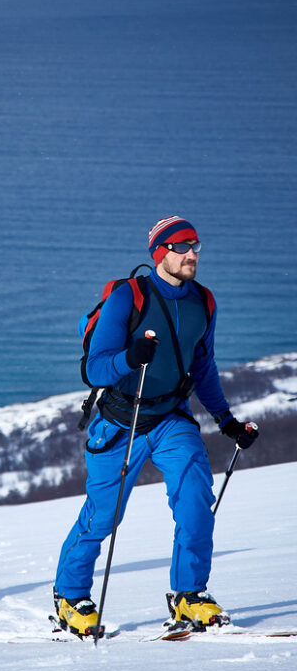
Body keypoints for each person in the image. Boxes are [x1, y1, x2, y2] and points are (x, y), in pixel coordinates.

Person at [54, 217, 258, 637]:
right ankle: (70, 598)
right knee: (102, 517)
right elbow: (93, 369)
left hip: (170, 419)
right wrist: (130, 358)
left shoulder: (203, 302)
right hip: (120, 423)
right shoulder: (128, 298)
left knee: (195, 501)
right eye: (181, 247)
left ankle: (189, 594)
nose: (191, 254)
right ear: (160, 252)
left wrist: (226, 420)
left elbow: (203, 367)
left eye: (195, 246)